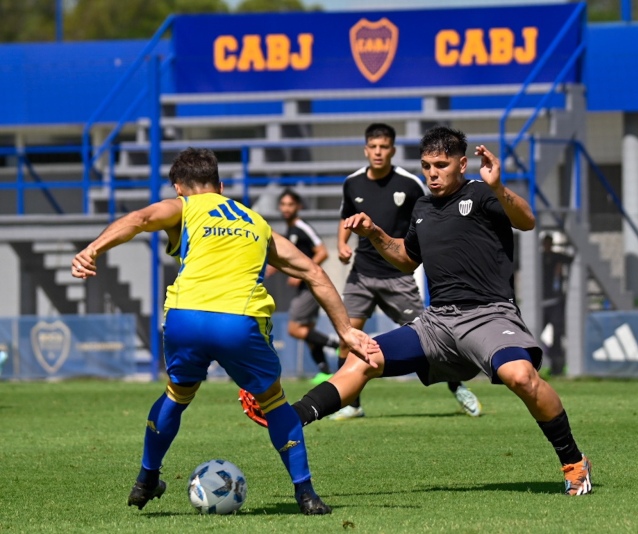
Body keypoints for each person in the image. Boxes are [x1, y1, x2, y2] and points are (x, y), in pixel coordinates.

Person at [243, 127, 592, 496]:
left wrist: (497, 187)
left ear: (461, 163)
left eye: (441, 165)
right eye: (426, 166)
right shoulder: (423, 207)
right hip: (438, 321)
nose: (432, 173)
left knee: (520, 377)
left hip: (489, 314)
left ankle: (573, 461)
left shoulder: (481, 193)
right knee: (364, 357)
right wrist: (375, 233)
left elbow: (526, 220)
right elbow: (407, 260)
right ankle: (291, 417)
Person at [71, 148, 375, 515]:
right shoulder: (256, 222)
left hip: (185, 317)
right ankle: (306, 494)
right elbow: (313, 271)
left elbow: (139, 218)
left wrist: (92, 250)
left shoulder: (183, 207)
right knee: (275, 403)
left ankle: (146, 479)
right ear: (221, 185)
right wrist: (345, 330)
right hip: (239, 321)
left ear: (178, 188)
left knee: (177, 394)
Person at [332, 122, 482, 419]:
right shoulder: (352, 183)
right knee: (347, 336)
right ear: (366, 150)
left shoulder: (409, 183)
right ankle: (352, 404)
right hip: (362, 274)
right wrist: (341, 244)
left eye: (384, 146)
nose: (378, 152)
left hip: (397, 276)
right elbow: (345, 216)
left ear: (393, 150)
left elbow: (432, 210)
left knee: (431, 338)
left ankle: (458, 386)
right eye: (373, 147)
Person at [273, 188, 339, 385]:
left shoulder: (302, 227)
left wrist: (303, 275)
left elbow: (322, 251)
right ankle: (325, 371)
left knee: (294, 328)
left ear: (298, 207)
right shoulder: (290, 230)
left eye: (290, 204)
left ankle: (337, 343)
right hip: (305, 287)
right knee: (308, 331)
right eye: (283, 204)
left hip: (311, 285)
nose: (286, 208)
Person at [540, 233, 573, 377]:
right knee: (535, 331)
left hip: (554, 301)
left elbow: (572, 259)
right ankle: (542, 358)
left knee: (557, 333)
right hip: (540, 301)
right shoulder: (538, 258)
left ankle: (556, 365)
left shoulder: (556, 258)